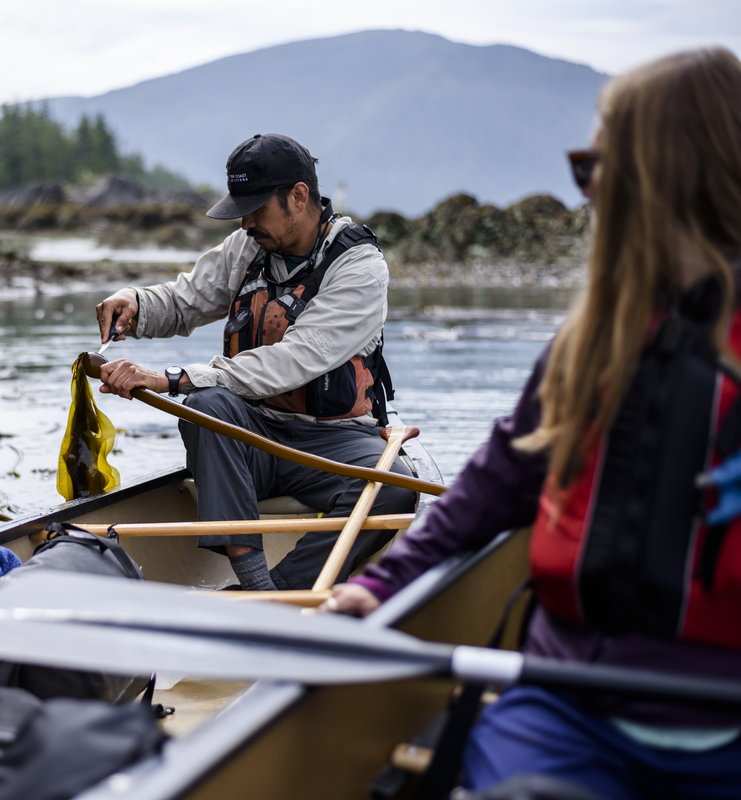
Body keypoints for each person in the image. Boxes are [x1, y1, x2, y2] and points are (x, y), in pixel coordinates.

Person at [327, 49, 741, 798]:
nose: (585, 188)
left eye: (596, 164)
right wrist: (383, 583)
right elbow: (492, 487)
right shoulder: (589, 348)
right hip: (565, 705)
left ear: (665, 173)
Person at [95, 133, 417, 592]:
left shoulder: (359, 267)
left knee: (394, 488)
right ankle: (254, 579)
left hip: (333, 443)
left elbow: (291, 361)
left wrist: (172, 377)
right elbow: (186, 299)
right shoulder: (247, 247)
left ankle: (272, 594)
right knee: (206, 407)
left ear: (299, 197)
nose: (245, 222)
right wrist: (137, 303)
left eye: (256, 208)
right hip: (255, 436)